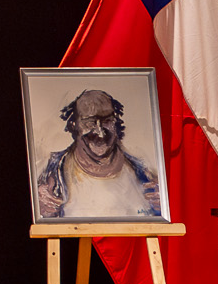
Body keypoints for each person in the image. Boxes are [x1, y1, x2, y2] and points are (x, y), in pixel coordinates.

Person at [35, 88, 162, 218]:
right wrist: (39, 208)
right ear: (74, 125)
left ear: (116, 122)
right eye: (89, 123)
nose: (100, 132)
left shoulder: (145, 173)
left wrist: (161, 208)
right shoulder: (50, 172)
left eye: (107, 121)